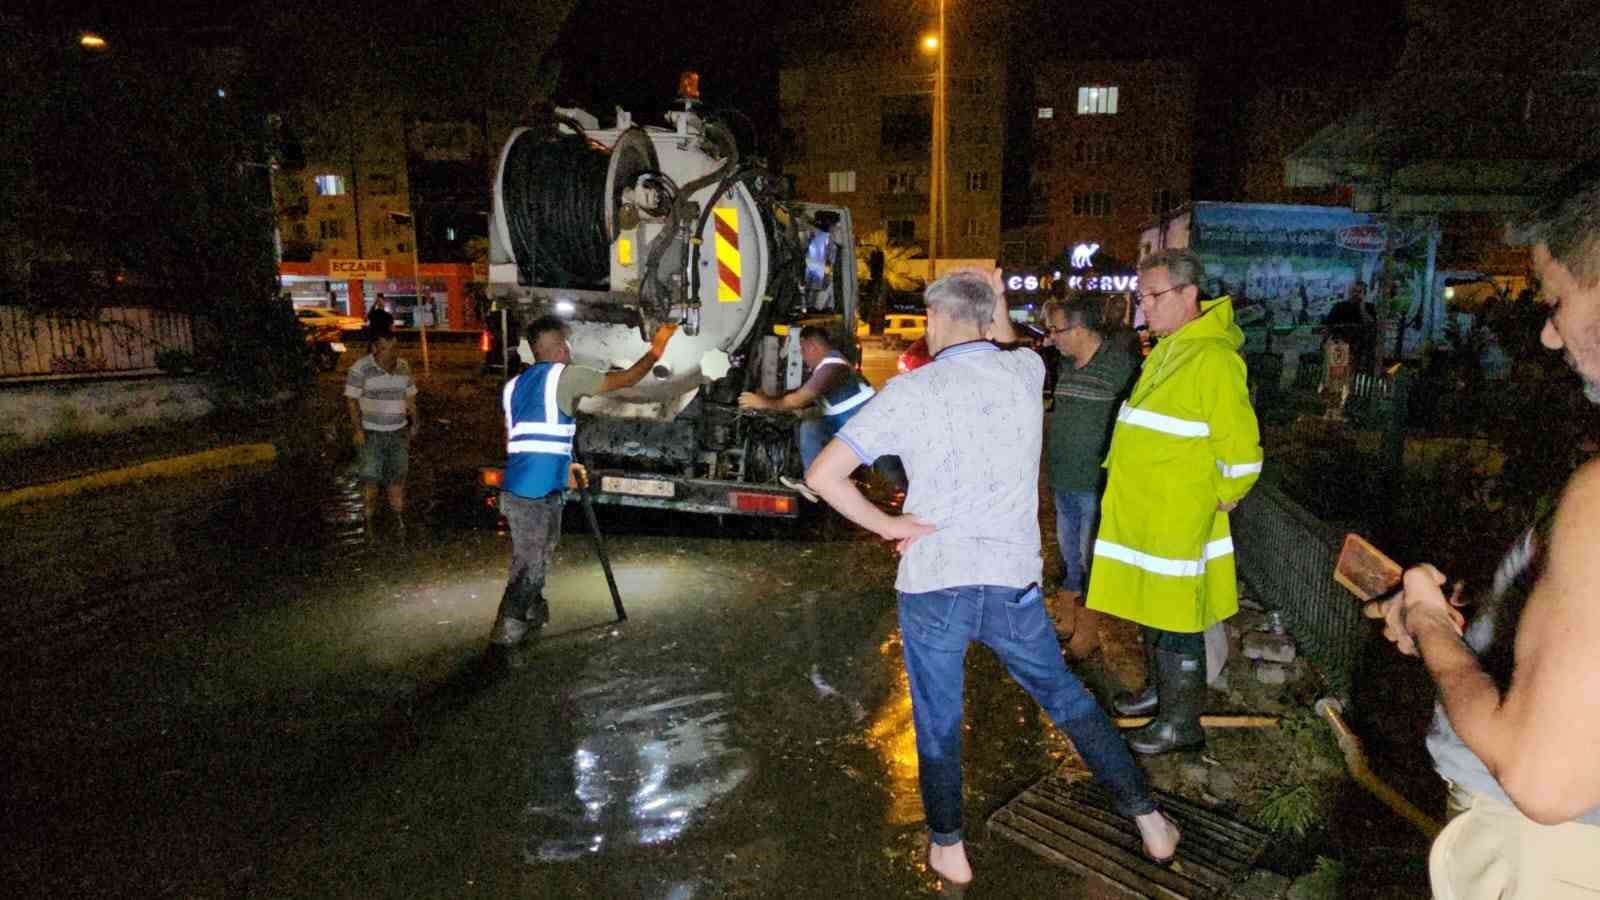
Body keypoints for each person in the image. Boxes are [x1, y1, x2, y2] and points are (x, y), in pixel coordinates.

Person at [805, 269, 1179, 887]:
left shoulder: (910, 392)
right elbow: (1002, 337)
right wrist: (996, 299)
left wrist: (892, 527)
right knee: (1066, 698)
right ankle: (1149, 820)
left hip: (935, 584)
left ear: (935, 320)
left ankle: (949, 846)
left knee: (939, 718)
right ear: (988, 318)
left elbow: (824, 476)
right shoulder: (1026, 373)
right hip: (1011, 585)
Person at [1365, 161, 1600, 899]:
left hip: (1548, 860)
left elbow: (1542, 778)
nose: (1551, 336)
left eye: (1556, 299)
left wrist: (1433, 626)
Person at [1087, 248, 1262, 756]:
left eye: (1154, 295)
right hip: (1149, 514)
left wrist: (1228, 494)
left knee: (1178, 619)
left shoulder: (1212, 359)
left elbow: (1242, 451)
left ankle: (1180, 724)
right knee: (1153, 611)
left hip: (1176, 519)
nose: (1145, 307)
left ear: (1189, 294)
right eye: (1141, 296)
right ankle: (1161, 696)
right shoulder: (1173, 348)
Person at [487, 315, 678, 648]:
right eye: (567, 343)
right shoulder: (566, 376)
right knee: (532, 561)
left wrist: (569, 465)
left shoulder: (513, 386)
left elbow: (534, 438)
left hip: (521, 488)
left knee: (534, 555)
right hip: (536, 491)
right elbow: (629, 378)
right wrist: (658, 346)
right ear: (560, 347)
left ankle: (531, 608)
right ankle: (506, 630)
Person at [1042, 294, 1139, 660]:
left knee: (1091, 558)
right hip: (1064, 479)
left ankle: (1088, 631)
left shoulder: (1121, 369)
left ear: (1080, 330)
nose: (1052, 337)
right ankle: (1067, 619)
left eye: (1058, 330)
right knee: (1070, 555)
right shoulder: (1067, 367)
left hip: (1096, 484)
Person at [737, 325, 904, 500]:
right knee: (811, 428)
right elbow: (799, 396)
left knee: (895, 484)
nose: (802, 356)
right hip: (850, 428)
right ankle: (815, 483)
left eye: (802, 351)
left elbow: (798, 399)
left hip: (872, 431)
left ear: (812, 346)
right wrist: (773, 400)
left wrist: (763, 403)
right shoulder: (827, 367)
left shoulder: (833, 367)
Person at [344, 310, 419, 536]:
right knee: (371, 482)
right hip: (371, 434)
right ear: (377, 347)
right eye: (389, 348)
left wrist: (415, 422)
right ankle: (369, 526)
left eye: (396, 347)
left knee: (397, 480)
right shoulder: (361, 369)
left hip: (398, 433)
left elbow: (410, 397)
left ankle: (398, 524)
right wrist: (357, 430)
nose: (394, 353)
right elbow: (351, 401)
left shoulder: (403, 367)